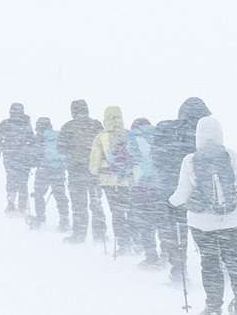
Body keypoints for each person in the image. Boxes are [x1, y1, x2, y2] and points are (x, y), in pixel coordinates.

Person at [167, 115, 237, 315]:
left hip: (202, 223)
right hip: (231, 220)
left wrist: (171, 204)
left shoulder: (190, 160)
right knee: (234, 260)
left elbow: (183, 192)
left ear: (198, 136)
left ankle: (213, 308)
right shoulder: (231, 156)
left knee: (209, 264)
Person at [154, 97, 211, 284]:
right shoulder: (203, 133)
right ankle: (217, 269)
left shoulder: (165, 131)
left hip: (171, 191)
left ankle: (179, 271)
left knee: (177, 232)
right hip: (201, 192)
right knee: (210, 230)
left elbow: (157, 160)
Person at [56, 100, 104, 244]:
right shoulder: (96, 125)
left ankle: (79, 234)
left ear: (73, 111)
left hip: (75, 170)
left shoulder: (68, 127)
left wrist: (71, 154)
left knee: (78, 204)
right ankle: (100, 234)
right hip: (94, 171)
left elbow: (60, 148)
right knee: (96, 203)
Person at [126, 117, 168, 268]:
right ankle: (166, 254)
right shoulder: (160, 139)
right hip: (160, 190)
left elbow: (119, 166)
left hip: (140, 192)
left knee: (146, 226)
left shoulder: (132, 142)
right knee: (163, 224)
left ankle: (151, 257)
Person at [89, 105, 132, 253]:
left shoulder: (101, 136)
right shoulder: (129, 134)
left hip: (108, 180)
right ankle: (138, 241)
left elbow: (94, 163)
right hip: (126, 180)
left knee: (117, 212)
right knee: (130, 210)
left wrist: (95, 171)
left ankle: (123, 244)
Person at [0, 103, 34, 216]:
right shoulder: (26, 123)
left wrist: (3, 148)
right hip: (23, 157)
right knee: (22, 181)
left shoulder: (5, 123)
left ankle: (11, 204)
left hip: (10, 157)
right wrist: (27, 148)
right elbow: (32, 139)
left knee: (11, 180)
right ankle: (22, 206)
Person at [30, 116, 70, 232]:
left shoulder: (39, 138)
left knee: (39, 194)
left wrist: (33, 162)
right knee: (60, 197)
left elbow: (33, 156)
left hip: (43, 171)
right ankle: (64, 221)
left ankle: (40, 218)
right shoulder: (57, 136)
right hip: (58, 170)